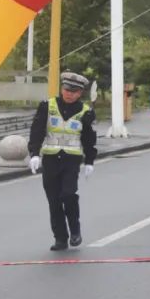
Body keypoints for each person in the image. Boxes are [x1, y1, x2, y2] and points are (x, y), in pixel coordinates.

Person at [28, 71, 97, 251]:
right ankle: (60, 238)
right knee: (54, 201)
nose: (69, 94)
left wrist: (90, 161)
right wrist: (34, 153)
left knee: (68, 194)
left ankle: (75, 230)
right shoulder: (47, 106)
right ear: (62, 88)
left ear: (80, 93)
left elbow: (89, 138)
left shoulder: (86, 111)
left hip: (71, 160)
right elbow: (37, 130)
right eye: (66, 89)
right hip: (50, 159)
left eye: (74, 91)